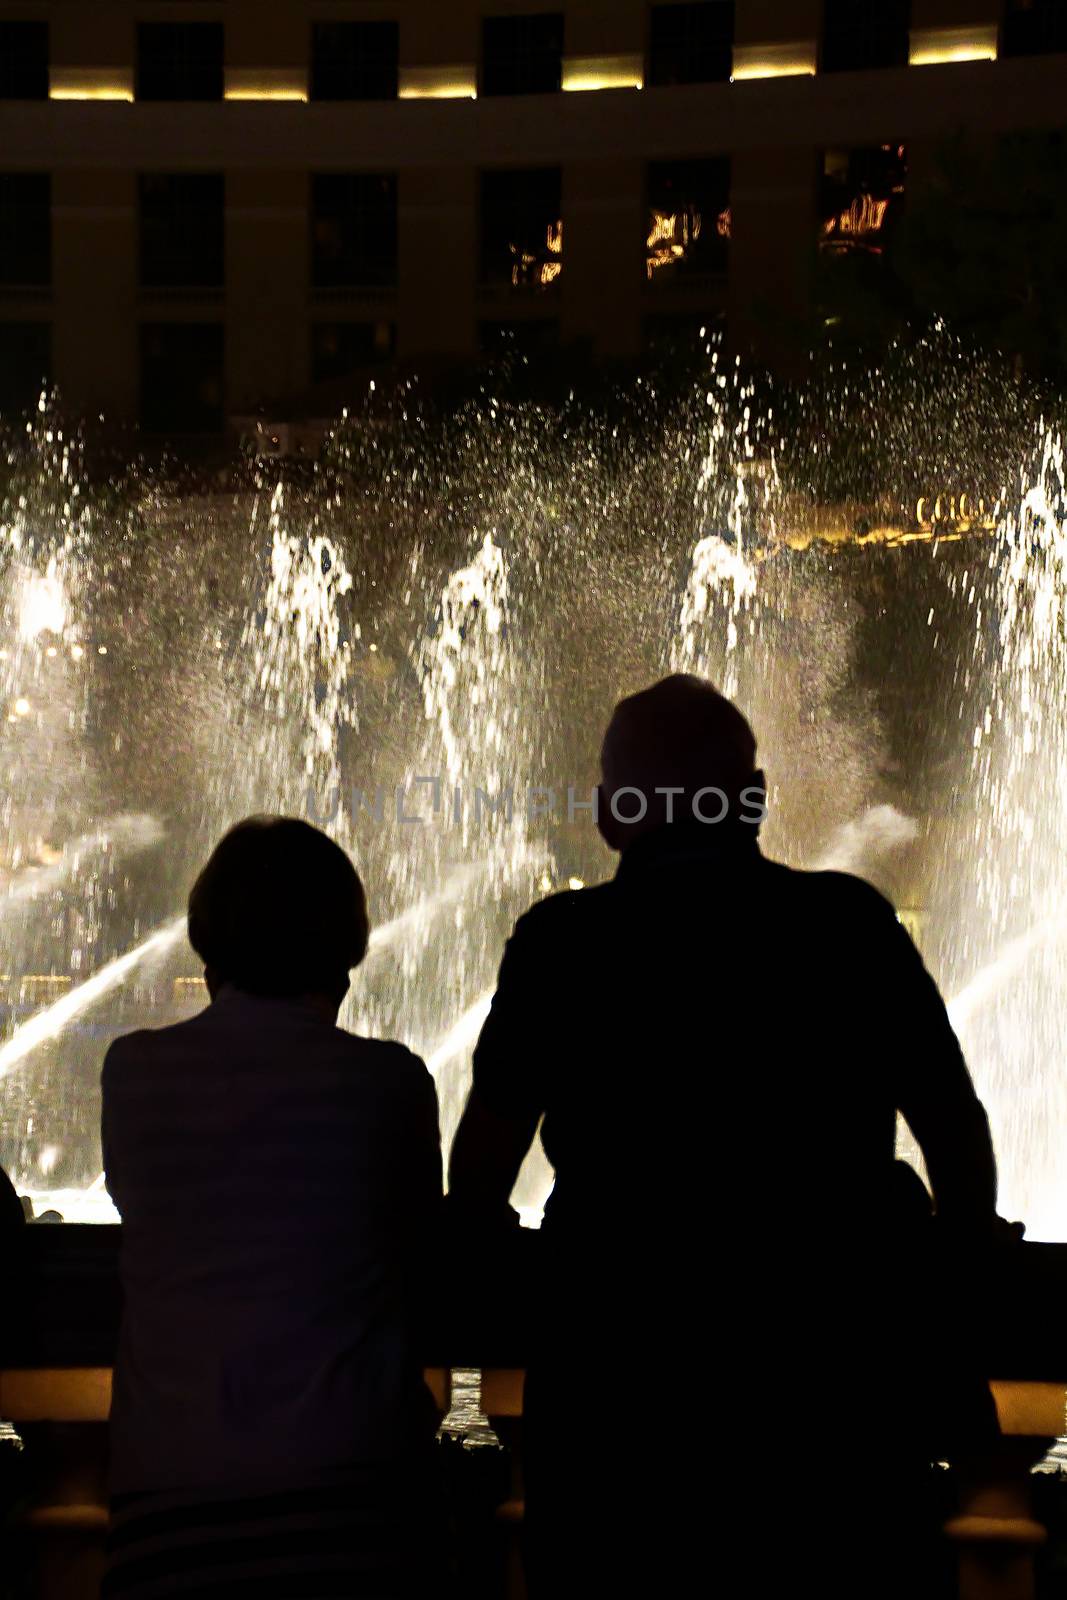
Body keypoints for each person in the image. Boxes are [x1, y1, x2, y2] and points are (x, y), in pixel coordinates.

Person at [449, 674, 1004, 1599]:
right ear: (750, 801)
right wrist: (960, 1275)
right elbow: (952, 1124)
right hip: (828, 1395)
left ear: (609, 812)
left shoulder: (562, 942)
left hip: (616, 1393)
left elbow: (482, 1165)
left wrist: (490, 1258)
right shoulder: (849, 925)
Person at [101, 817, 444, 1599]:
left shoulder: (134, 1073)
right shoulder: (389, 1082)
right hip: (356, 1505)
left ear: (207, 940)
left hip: (169, 1508)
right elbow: (420, 1257)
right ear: (343, 951)